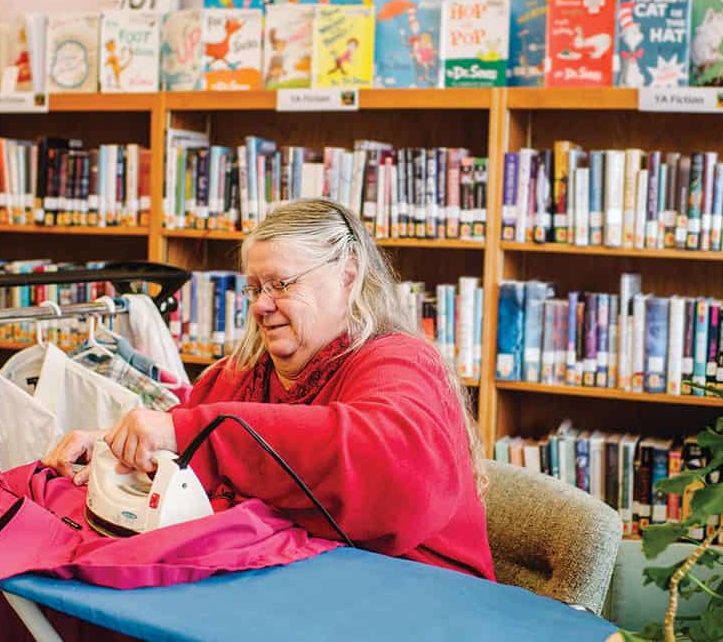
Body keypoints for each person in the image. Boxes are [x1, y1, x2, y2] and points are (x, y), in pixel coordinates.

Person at [45, 198, 495, 581]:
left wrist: (192, 431)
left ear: (348, 275)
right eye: (254, 288)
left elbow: (393, 469)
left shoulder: (400, 362)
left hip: (415, 601)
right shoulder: (243, 374)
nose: (261, 305)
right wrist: (115, 442)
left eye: (280, 284)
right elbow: (184, 430)